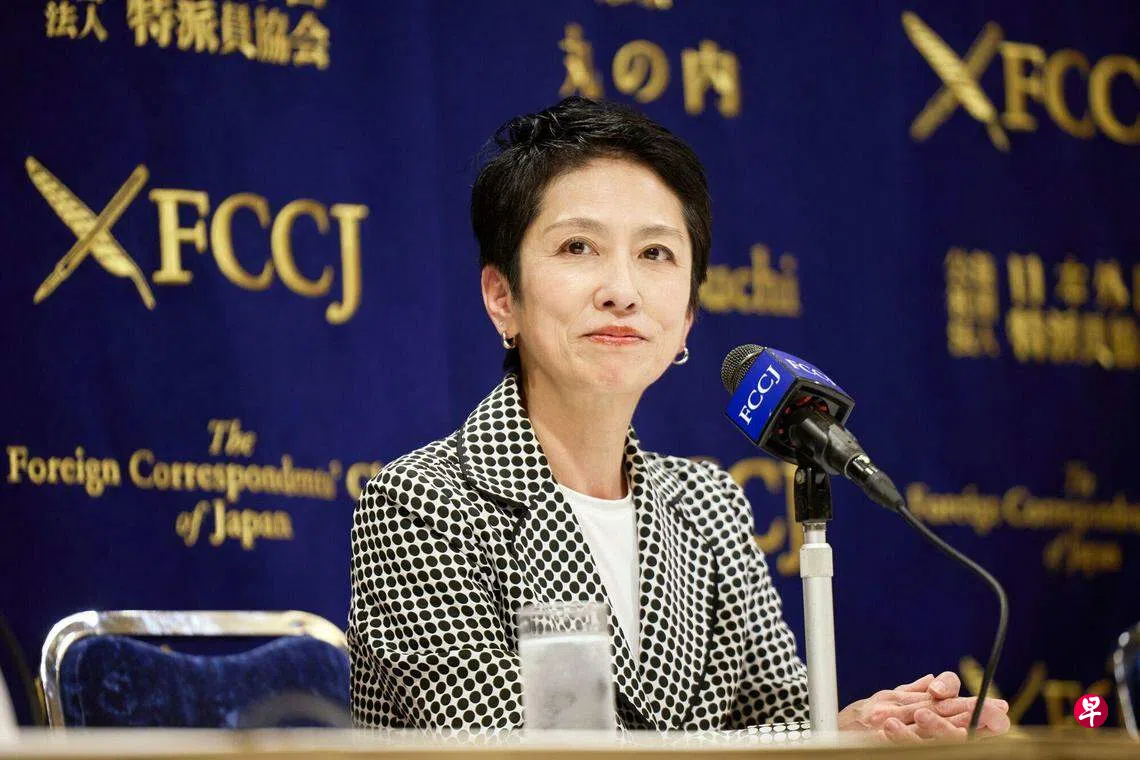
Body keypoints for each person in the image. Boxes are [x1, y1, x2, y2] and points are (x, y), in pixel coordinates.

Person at [348, 96, 1011, 740]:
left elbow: (782, 720)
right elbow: (514, 749)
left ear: (688, 316)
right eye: (578, 247)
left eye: (655, 254)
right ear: (502, 297)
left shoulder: (710, 505)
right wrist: (814, 740)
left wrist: (873, 734)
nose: (621, 291)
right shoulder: (422, 504)